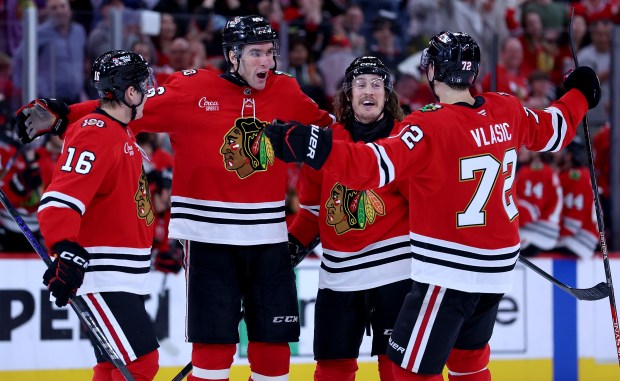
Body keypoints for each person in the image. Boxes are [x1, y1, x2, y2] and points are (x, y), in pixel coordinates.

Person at [265, 31, 600, 380]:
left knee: (406, 367)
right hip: (497, 270)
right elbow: (555, 129)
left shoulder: (426, 125)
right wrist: (579, 94)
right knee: (469, 362)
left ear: (432, 72)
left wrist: (315, 145)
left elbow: (371, 167)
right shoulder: (506, 108)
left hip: (448, 271)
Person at [17, 15, 334, 381]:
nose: (268, 62)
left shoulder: (287, 92)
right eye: (256, 53)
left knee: (275, 360)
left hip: (269, 240)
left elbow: (333, 138)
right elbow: (124, 105)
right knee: (212, 359)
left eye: (271, 53)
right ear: (232, 56)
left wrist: (381, 133)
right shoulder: (193, 89)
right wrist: (64, 116)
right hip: (208, 240)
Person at [35, 50, 160, 380]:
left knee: (110, 367)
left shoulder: (119, 129)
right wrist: (64, 249)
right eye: (143, 86)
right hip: (102, 275)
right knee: (141, 363)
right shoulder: (96, 131)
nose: (148, 92)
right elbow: (60, 199)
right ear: (130, 93)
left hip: (118, 275)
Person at [288, 56, 412, 381]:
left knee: (398, 369)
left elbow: (427, 205)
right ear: (348, 94)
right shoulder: (325, 142)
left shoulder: (406, 140)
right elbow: (312, 213)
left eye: (376, 84)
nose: (368, 91)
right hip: (339, 276)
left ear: (388, 94)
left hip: (396, 274)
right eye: (360, 84)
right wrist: (287, 250)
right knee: (331, 370)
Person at [554, 137, 599, 258]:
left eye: (559, 150)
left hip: (580, 240)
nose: (555, 153)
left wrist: (555, 236)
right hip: (581, 236)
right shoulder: (576, 174)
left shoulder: (575, 177)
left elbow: (575, 217)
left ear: (568, 155)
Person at [514, 150, 562, 257]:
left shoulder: (534, 170)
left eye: (525, 146)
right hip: (546, 231)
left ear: (535, 152)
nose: (520, 149)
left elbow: (531, 211)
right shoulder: (544, 169)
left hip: (537, 233)